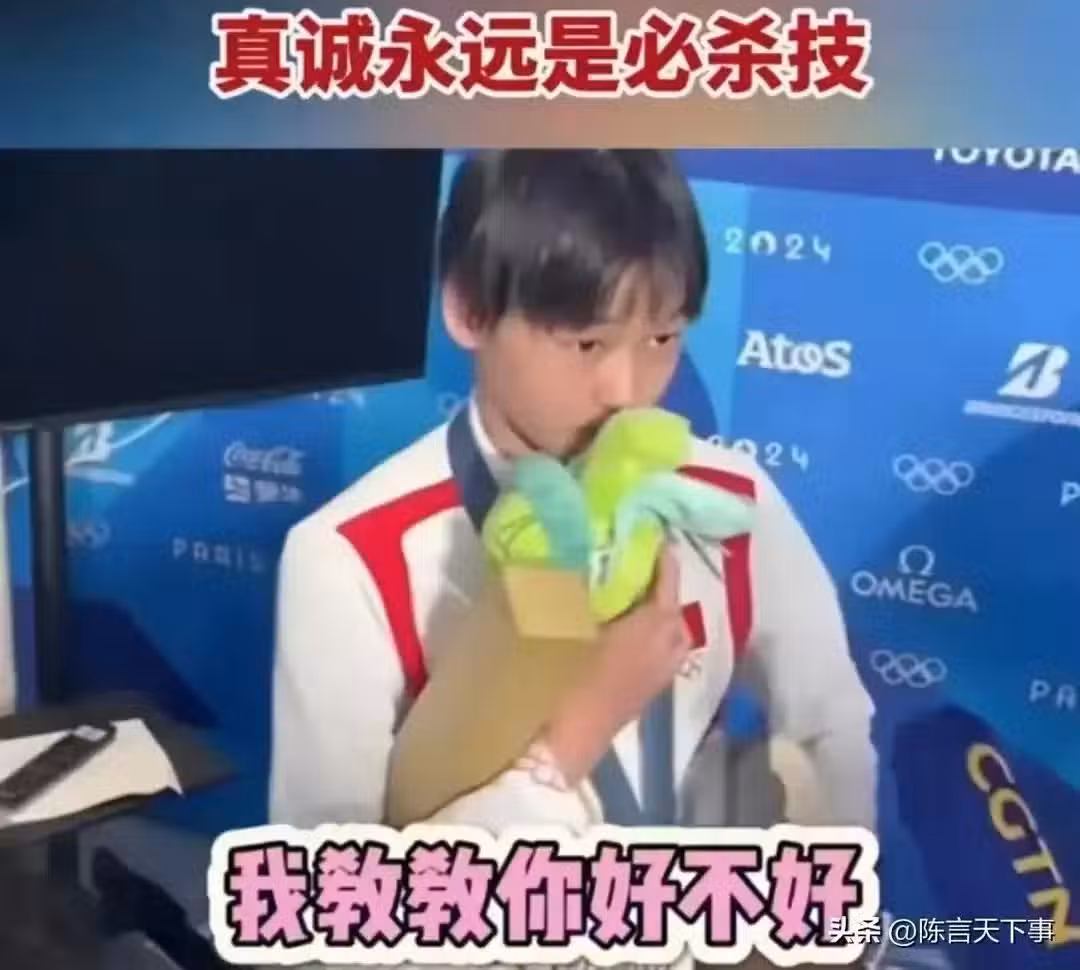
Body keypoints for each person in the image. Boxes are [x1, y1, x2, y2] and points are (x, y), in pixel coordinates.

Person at [268, 149, 877, 836]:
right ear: (468, 310)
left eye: (662, 338)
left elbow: (832, 723)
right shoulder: (350, 557)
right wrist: (574, 739)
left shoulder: (732, 498)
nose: (627, 389)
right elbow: (328, 898)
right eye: (587, 344)